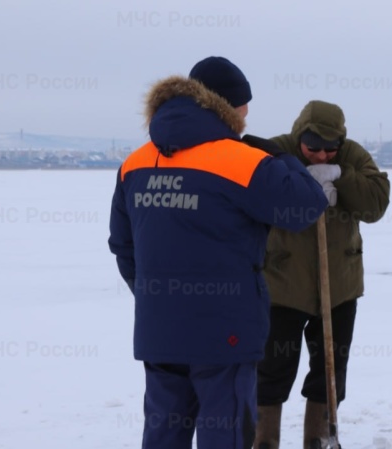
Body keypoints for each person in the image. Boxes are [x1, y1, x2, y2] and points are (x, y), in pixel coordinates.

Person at [108, 56, 328, 449]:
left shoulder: (134, 164)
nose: (246, 113)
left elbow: (123, 246)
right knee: (224, 434)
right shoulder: (240, 160)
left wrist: (156, 296)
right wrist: (281, 157)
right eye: (244, 104)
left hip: (160, 331)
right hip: (224, 333)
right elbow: (306, 205)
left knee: (164, 432)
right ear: (226, 105)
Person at [253, 100, 391, 449]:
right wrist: (300, 185)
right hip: (283, 283)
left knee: (330, 370)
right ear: (300, 136)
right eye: (313, 148)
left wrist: (343, 179)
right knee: (272, 369)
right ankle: (264, 440)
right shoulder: (276, 151)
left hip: (340, 285)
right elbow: (253, 198)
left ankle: (320, 438)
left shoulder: (353, 157)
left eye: (331, 150)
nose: (321, 156)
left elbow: (375, 204)